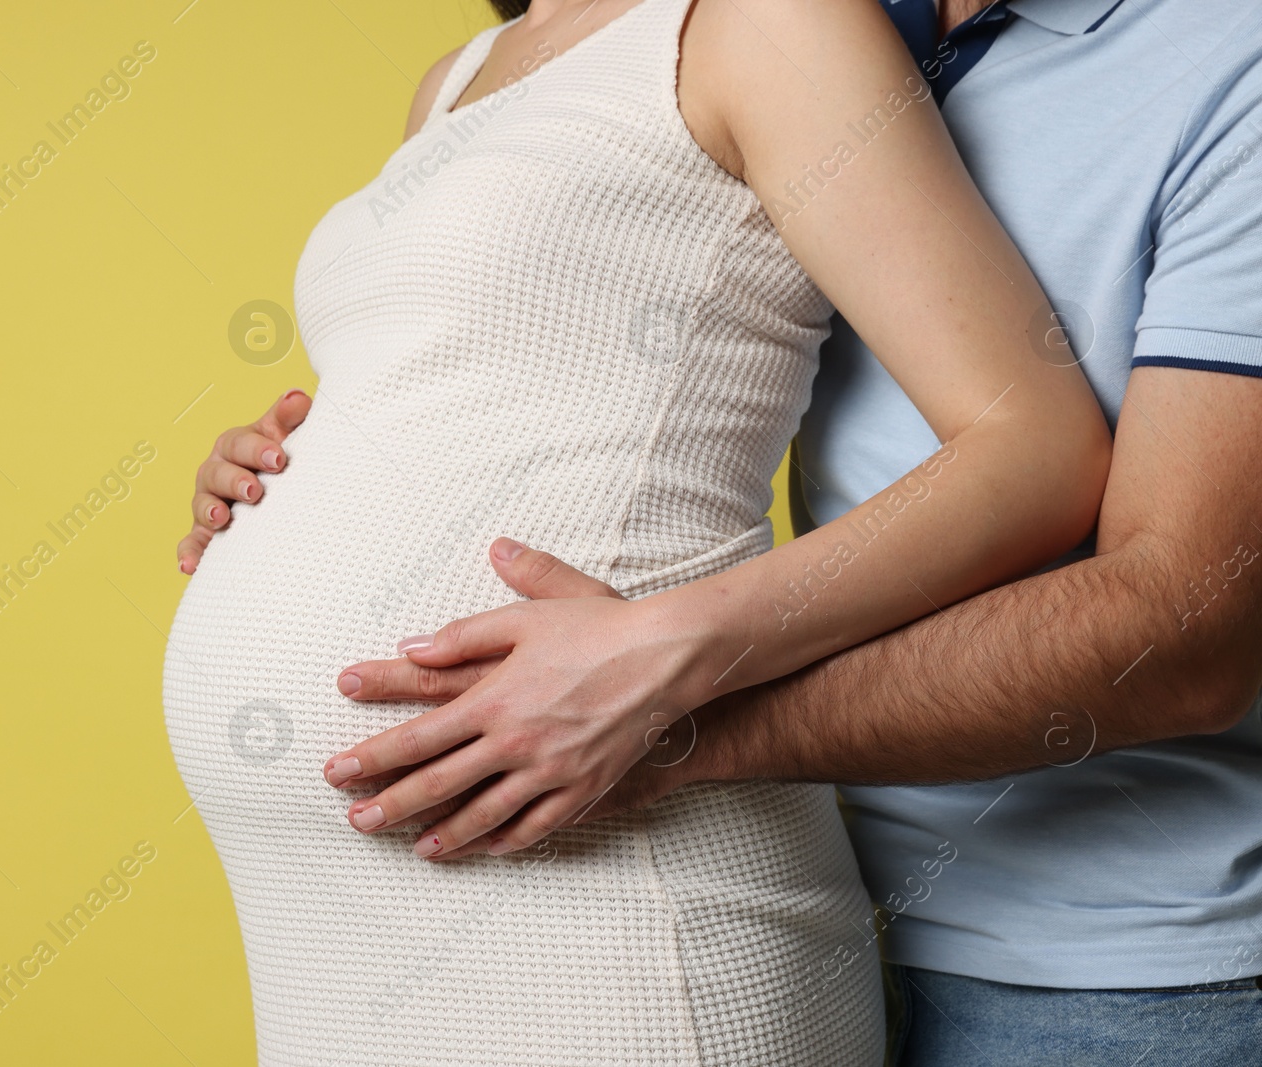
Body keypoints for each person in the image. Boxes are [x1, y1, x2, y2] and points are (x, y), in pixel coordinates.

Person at [253, 1, 1261, 1063]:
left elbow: (1180, 634)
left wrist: (674, 716)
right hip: (817, 882)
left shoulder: (1224, 65)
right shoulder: (805, 25)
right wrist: (306, 463)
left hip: (1123, 972)